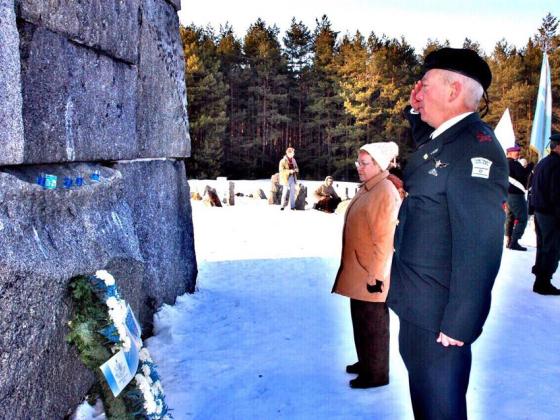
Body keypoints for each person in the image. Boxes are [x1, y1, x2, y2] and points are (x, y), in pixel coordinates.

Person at [387, 48, 508, 419]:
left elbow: (481, 244)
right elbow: (431, 145)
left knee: (441, 410)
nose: (416, 93)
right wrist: (414, 111)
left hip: (440, 320)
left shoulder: (475, 150)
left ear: (454, 91)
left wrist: (460, 322)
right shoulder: (450, 138)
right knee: (427, 406)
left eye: (424, 86)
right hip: (420, 307)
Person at [331, 142, 402, 389]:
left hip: (371, 273)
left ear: (379, 165)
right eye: (358, 162)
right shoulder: (369, 188)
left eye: (364, 163)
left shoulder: (383, 190)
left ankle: (377, 374)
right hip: (360, 270)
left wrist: (376, 276)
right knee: (361, 320)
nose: (359, 167)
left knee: (374, 324)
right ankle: (366, 362)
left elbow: (384, 239)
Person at [529, 133, 560, 295]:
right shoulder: (556, 165)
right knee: (552, 248)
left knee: (543, 246)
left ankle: (540, 277)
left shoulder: (543, 163)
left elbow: (533, 185)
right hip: (551, 213)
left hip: (540, 211)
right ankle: (543, 282)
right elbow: (556, 193)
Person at [505, 145, 530, 250]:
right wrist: (530, 166)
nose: (518, 153)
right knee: (523, 218)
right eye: (516, 152)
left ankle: (509, 240)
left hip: (508, 195)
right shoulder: (513, 163)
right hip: (516, 195)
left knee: (510, 218)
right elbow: (523, 175)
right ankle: (514, 242)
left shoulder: (504, 163)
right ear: (510, 153)